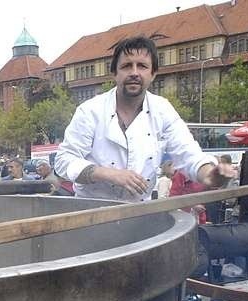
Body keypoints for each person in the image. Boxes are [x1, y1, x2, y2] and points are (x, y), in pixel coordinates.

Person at [54, 36, 226, 201]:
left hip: (139, 213)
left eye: (142, 66)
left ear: (153, 74)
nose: (134, 73)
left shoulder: (162, 110)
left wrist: (210, 174)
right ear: (115, 73)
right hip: (91, 213)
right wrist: (109, 174)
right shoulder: (90, 111)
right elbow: (63, 162)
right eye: (127, 66)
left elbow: (188, 154)